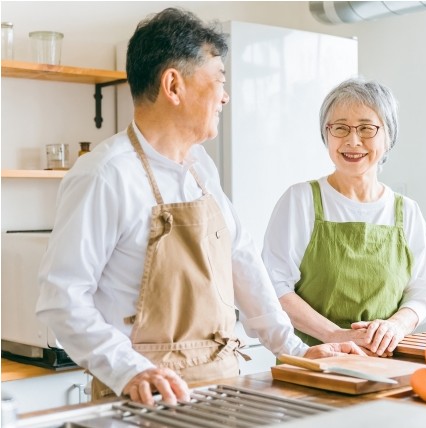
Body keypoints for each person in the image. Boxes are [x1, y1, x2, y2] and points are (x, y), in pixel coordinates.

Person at [36, 8, 364, 407]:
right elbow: (62, 298)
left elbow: (241, 262)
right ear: (173, 85)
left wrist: (293, 350)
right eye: (219, 81)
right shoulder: (105, 175)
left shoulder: (201, 167)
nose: (225, 95)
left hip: (222, 391)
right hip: (145, 401)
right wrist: (129, 370)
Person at [262, 77, 426, 358]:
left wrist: (395, 325)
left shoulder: (407, 212)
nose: (352, 140)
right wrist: (336, 336)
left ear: (388, 134)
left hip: (386, 362)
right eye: (340, 128)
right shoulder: (300, 200)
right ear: (327, 134)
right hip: (314, 362)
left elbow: (421, 292)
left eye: (367, 128)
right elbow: (274, 287)